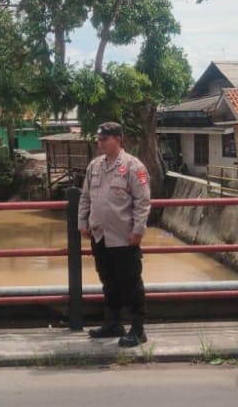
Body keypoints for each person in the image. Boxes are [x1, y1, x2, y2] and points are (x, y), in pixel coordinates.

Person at [77, 121, 151, 347]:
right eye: (98, 139)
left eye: (104, 139)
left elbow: (143, 201)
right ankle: (113, 323)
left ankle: (138, 329)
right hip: (99, 236)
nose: (100, 143)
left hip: (123, 237)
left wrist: (138, 230)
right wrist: (83, 222)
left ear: (118, 139)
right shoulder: (94, 166)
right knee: (108, 282)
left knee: (131, 283)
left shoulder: (133, 166)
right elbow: (85, 197)